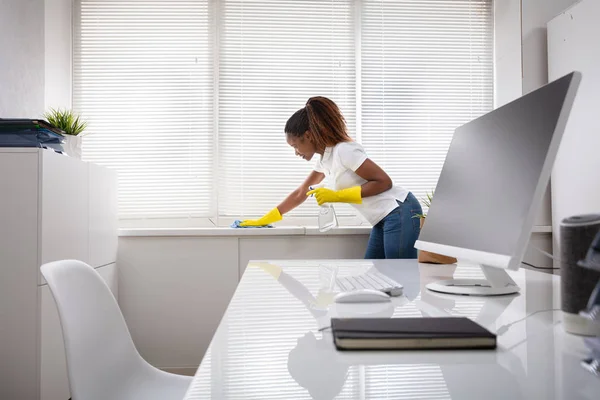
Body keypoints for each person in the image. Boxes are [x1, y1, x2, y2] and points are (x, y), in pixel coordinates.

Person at [240, 96, 422, 259]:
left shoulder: (344, 150)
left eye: (295, 146)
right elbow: (300, 193)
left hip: (398, 209)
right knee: (374, 278)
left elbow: (383, 182)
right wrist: (265, 219)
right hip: (382, 218)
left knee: (400, 276)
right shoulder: (325, 160)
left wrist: (336, 196)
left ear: (308, 136)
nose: (296, 153)